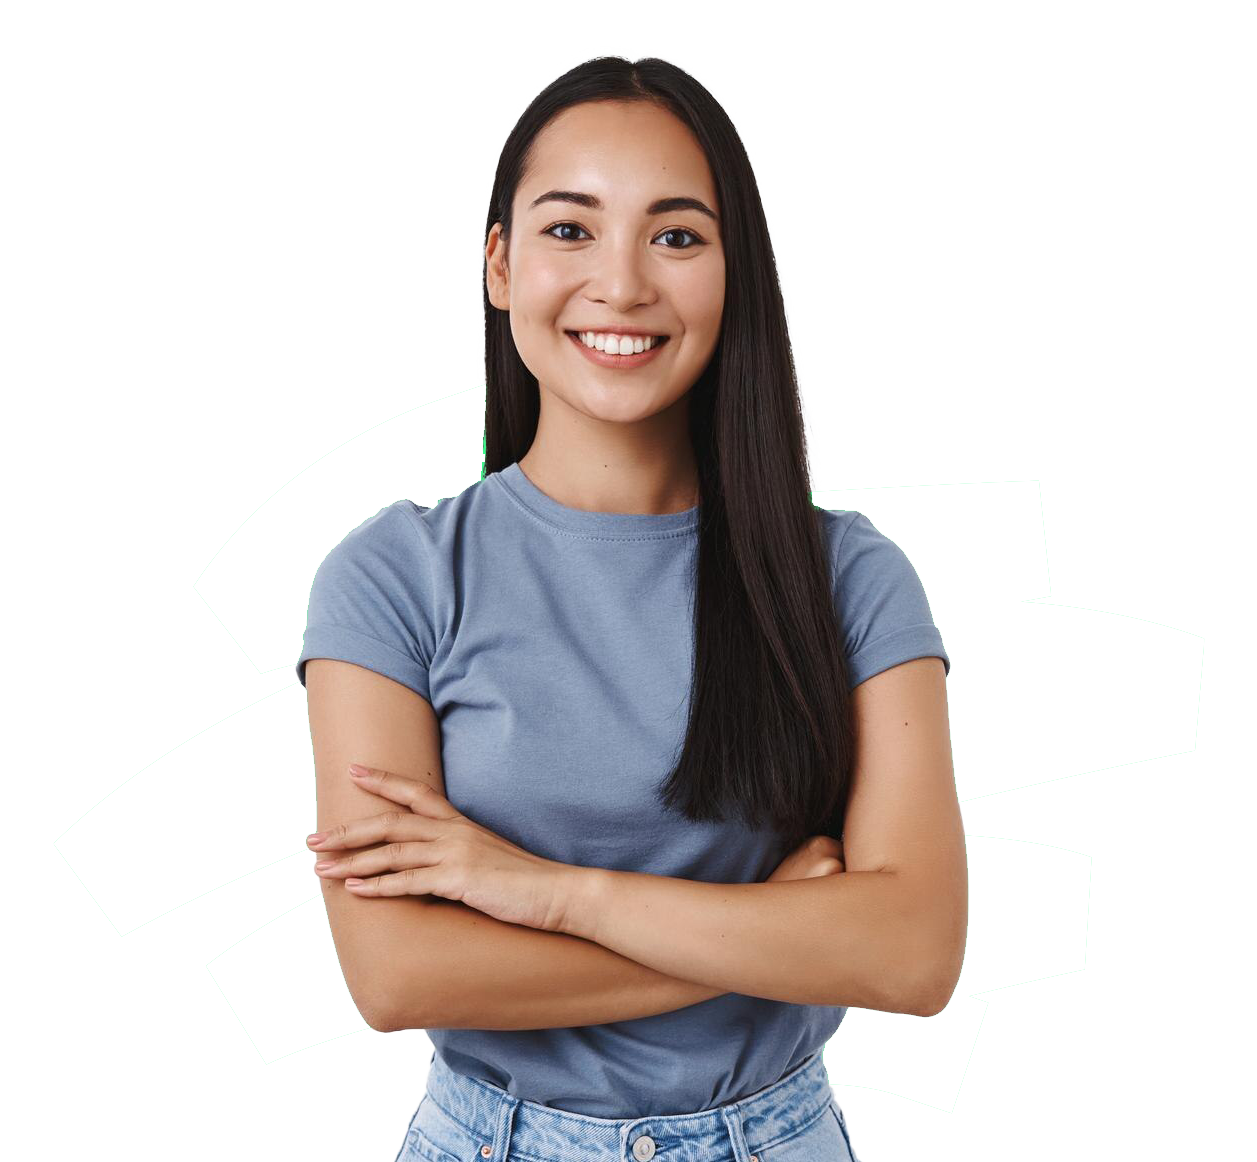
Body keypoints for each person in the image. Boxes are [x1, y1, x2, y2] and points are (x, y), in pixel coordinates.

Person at [297, 53, 965, 1162]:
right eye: (570, 230)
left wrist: (537, 892)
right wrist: (774, 932)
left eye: (676, 235)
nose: (621, 283)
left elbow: (912, 952)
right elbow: (398, 973)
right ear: (500, 266)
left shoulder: (847, 576)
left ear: (732, 271)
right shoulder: (393, 577)